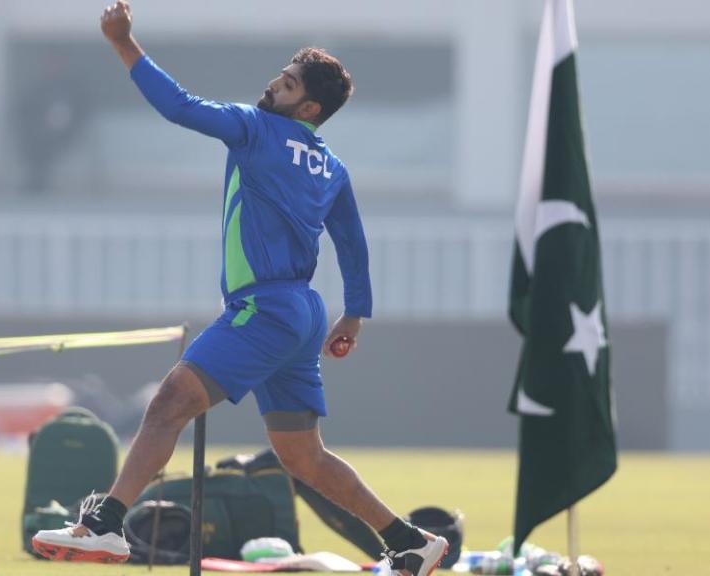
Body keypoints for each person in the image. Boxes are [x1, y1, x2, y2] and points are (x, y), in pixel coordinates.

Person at [33, 2, 449, 575]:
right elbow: (352, 243)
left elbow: (178, 106)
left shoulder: (256, 129)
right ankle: (409, 541)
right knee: (303, 455)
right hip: (305, 311)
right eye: (280, 74)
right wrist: (355, 314)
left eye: (287, 83)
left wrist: (124, 43)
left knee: (167, 404)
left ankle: (105, 525)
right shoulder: (332, 167)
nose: (272, 84)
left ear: (307, 107)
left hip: (267, 308)